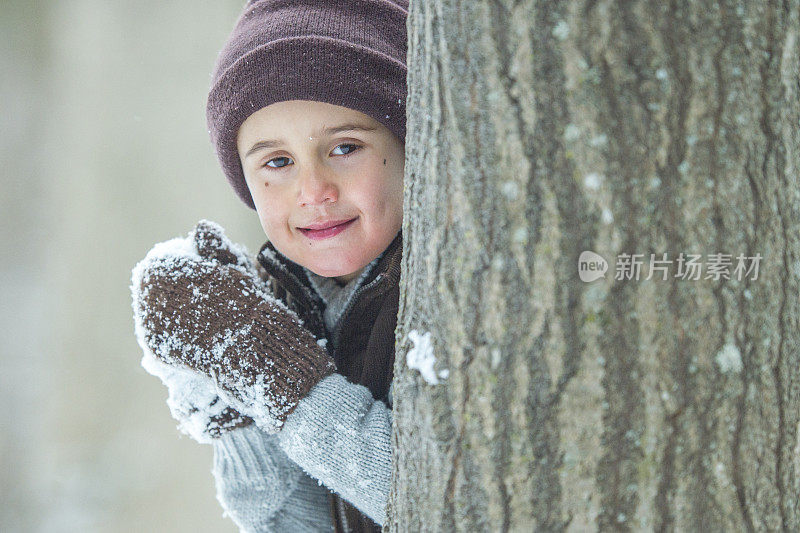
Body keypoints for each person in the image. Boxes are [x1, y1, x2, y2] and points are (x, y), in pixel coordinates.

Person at [129, 1, 409, 531]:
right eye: (277, 163)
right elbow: (294, 523)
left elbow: (447, 501)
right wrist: (227, 394)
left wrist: (281, 382)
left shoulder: (448, 293)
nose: (313, 190)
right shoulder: (293, 297)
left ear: (408, 144)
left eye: (345, 147)